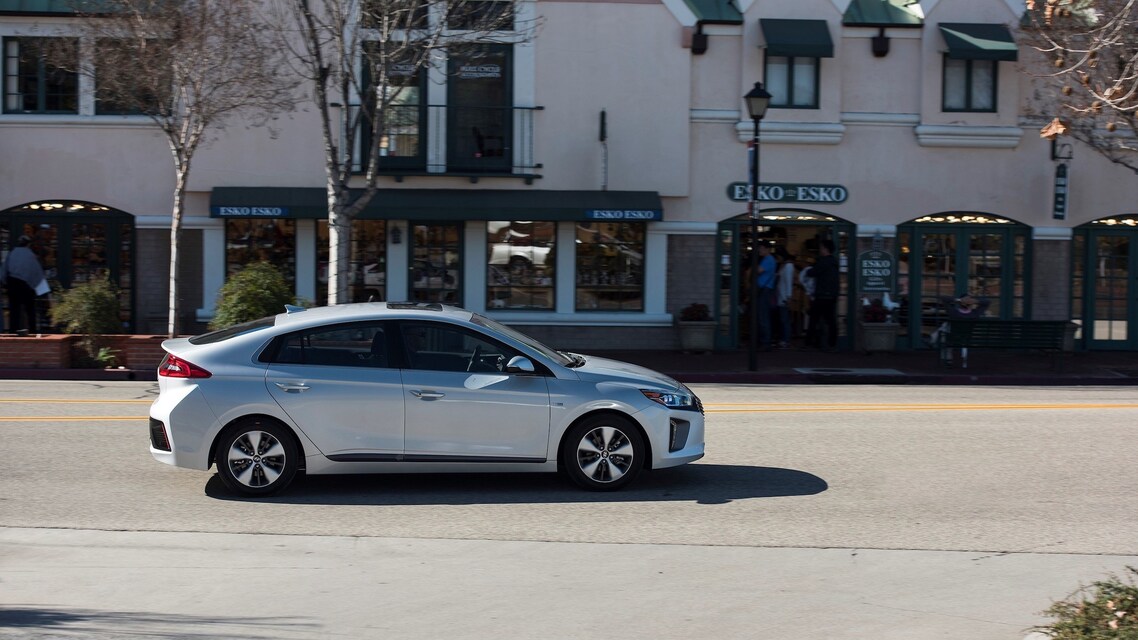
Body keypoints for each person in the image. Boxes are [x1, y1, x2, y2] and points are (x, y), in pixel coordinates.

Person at [1, 235, 47, 336]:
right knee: (30, 309)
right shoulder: (30, 255)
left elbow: (4, 270)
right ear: (28, 244)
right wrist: (41, 290)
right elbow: (37, 272)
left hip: (12, 283)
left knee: (14, 310)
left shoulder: (11, 253)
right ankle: (33, 331)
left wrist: (4, 282)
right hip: (25, 285)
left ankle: (13, 332)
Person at [928, 294, 990, 366]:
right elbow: (987, 302)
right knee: (945, 327)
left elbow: (944, 298)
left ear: (960, 304)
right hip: (967, 338)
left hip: (952, 338)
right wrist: (975, 301)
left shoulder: (954, 313)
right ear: (971, 304)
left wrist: (959, 300)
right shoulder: (975, 314)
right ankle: (934, 340)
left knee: (944, 333)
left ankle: (947, 358)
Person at [808, 239, 840, 350]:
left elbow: (812, 272)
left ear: (825, 249)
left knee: (814, 319)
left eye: (821, 248)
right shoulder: (834, 262)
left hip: (822, 295)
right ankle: (832, 343)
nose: (820, 250)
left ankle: (810, 342)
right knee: (831, 320)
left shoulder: (823, 262)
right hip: (831, 295)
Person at [754, 242, 777, 351]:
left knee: (763, 316)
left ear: (767, 249)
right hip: (765, 290)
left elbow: (758, 271)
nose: (760, 251)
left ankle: (765, 341)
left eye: (761, 248)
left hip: (765, 290)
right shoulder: (768, 259)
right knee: (763, 316)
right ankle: (764, 340)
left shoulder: (768, 260)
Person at [775, 247, 795, 349]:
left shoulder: (787, 267)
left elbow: (788, 284)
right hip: (782, 296)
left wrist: (788, 297)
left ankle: (785, 340)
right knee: (784, 320)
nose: (777, 259)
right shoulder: (785, 266)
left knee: (784, 320)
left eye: (778, 257)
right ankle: (784, 339)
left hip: (784, 297)